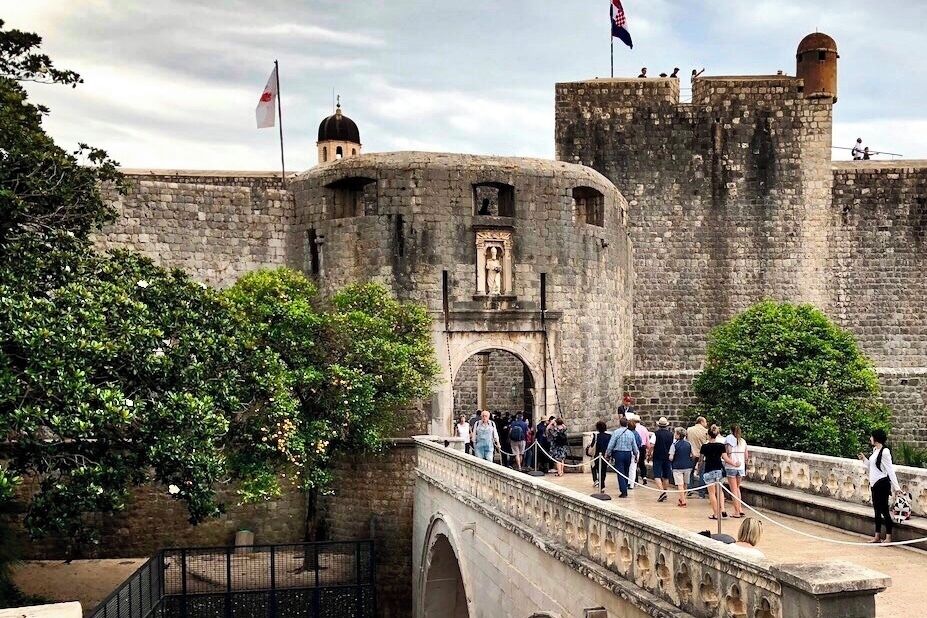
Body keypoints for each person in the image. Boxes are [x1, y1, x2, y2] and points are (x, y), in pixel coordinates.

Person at [858, 428, 901, 543]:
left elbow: (890, 470)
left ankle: (888, 537)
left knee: (884, 510)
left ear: (876, 438)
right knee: (876, 510)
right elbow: (872, 467)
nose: (870, 439)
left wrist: (897, 487)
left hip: (882, 483)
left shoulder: (885, 452)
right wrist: (864, 460)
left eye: (872, 437)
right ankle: (877, 536)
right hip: (874, 484)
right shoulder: (875, 450)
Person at [606, 416, 639, 498]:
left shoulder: (616, 432)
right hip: (628, 453)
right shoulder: (631, 433)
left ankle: (623, 491)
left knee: (620, 472)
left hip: (619, 453)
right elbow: (634, 446)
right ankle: (625, 488)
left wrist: (608, 453)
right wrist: (636, 455)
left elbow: (611, 444)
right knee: (626, 472)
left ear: (620, 423)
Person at [700, 425, 728, 521]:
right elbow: (725, 458)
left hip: (709, 470)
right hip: (719, 469)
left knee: (712, 493)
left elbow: (701, 460)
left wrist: (698, 469)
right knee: (720, 491)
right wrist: (734, 463)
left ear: (708, 435)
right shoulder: (721, 446)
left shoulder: (704, 446)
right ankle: (723, 509)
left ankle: (716, 513)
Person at [724, 425, 749, 518]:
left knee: (733, 489)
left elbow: (729, 452)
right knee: (737, 488)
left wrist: (731, 460)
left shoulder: (729, 439)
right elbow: (746, 456)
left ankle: (737, 511)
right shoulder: (743, 441)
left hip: (732, 467)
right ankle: (740, 508)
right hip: (741, 467)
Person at [650, 417, 674, 502]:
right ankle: (665, 491)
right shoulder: (671, 435)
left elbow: (652, 445)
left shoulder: (655, 434)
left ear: (658, 425)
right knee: (666, 476)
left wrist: (649, 454)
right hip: (667, 457)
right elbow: (673, 445)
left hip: (658, 456)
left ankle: (662, 492)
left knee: (657, 475)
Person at [669, 427, 694, 507]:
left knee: (680, 484)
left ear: (678, 435)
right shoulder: (689, 444)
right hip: (687, 466)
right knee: (685, 483)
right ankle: (683, 498)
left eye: (675, 433)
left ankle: (683, 501)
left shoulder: (674, 445)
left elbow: (671, 457)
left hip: (677, 466)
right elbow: (692, 455)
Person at [686, 417, 709, 498]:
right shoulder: (705, 431)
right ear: (702, 422)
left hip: (692, 454)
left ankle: (689, 489)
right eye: (705, 422)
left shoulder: (689, 430)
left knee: (690, 472)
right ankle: (701, 493)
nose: (706, 424)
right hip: (702, 455)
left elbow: (687, 441)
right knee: (702, 474)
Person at [590, 420, 611, 491]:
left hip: (597, 456)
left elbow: (592, 446)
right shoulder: (609, 436)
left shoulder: (596, 436)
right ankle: (602, 484)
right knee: (603, 471)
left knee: (596, 469)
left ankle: (597, 481)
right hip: (605, 456)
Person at [633, 414, 651, 486]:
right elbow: (647, 440)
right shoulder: (644, 428)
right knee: (641, 463)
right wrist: (648, 449)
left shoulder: (633, 428)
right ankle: (644, 477)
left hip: (636, 447)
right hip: (643, 447)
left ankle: (636, 480)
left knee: (635, 464)